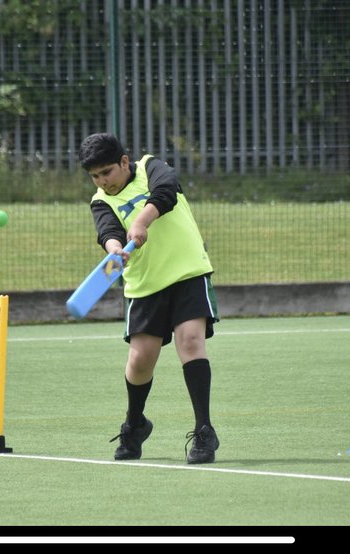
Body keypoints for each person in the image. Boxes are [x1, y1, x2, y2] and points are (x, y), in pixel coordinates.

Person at [78, 133, 220, 464]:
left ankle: (204, 431)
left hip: (187, 270)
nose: (102, 181)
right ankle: (135, 424)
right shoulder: (100, 201)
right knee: (141, 359)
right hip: (144, 284)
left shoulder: (150, 167)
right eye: (95, 176)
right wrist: (115, 249)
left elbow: (167, 192)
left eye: (107, 172)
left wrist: (142, 219)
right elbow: (108, 233)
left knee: (190, 341)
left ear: (124, 162)